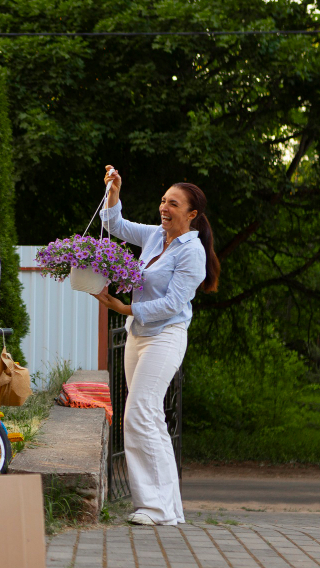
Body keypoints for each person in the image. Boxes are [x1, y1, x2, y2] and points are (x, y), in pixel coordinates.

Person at [93, 165, 221, 526]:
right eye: (164, 201)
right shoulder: (155, 236)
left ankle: (154, 507)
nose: (165, 208)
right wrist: (114, 192)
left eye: (174, 204)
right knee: (150, 419)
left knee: (138, 413)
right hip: (138, 334)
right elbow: (116, 227)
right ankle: (170, 508)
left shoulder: (191, 252)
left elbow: (172, 304)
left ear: (192, 214)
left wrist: (124, 308)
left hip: (165, 336)